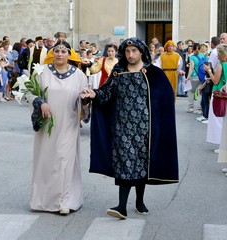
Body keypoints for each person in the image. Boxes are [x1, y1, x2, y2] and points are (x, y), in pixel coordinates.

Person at [81, 37, 178, 219]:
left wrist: (161, 126)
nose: (130, 55)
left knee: (142, 164)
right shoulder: (118, 71)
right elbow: (106, 93)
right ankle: (121, 206)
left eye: (134, 51)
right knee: (124, 162)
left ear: (141, 52)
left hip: (145, 128)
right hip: (122, 127)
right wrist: (94, 94)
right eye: (127, 51)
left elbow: (165, 100)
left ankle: (139, 201)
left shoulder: (153, 73)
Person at [27, 40, 89, 215]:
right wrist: (41, 103)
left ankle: (65, 200)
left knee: (64, 160)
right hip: (47, 124)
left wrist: (85, 101)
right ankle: (43, 200)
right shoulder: (42, 73)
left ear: (70, 55)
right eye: (57, 51)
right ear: (52, 53)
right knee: (46, 161)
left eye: (64, 51)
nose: (60, 54)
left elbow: (84, 100)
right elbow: (30, 93)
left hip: (68, 124)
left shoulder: (79, 76)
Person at [204, 44, 227, 157]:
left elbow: (215, 80)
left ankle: (221, 145)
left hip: (219, 94)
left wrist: (209, 71)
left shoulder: (221, 65)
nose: (217, 55)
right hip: (225, 94)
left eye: (219, 53)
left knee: (218, 120)